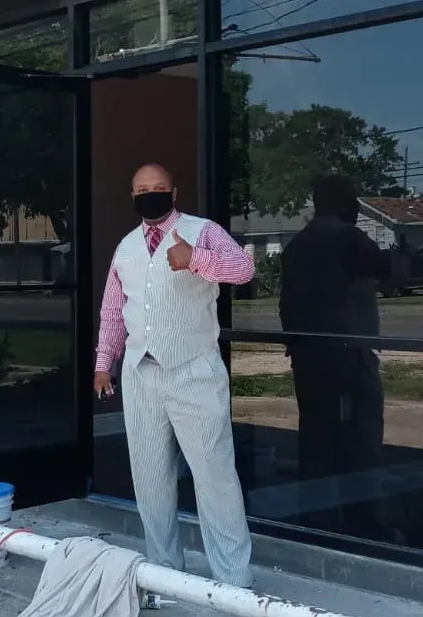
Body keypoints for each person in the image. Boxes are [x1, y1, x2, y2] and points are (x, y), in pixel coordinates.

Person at [93, 163, 255, 588]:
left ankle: (233, 580)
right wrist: (101, 363)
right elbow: (113, 311)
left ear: (174, 191)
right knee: (150, 477)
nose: (151, 194)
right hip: (141, 373)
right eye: (142, 189)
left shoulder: (203, 231)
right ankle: (165, 573)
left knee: (214, 475)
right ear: (132, 196)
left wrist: (195, 260)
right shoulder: (125, 247)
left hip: (193, 370)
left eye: (159, 188)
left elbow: (243, 270)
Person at [279, 175, 391, 490]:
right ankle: (362, 519)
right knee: (361, 438)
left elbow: (286, 304)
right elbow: (387, 268)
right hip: (348, 356)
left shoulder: (298, 245)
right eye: (351, 198)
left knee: (316, 441)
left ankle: (317, 514)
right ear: (336, 202)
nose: (356, 205)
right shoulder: (346, 237)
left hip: (308, 357)